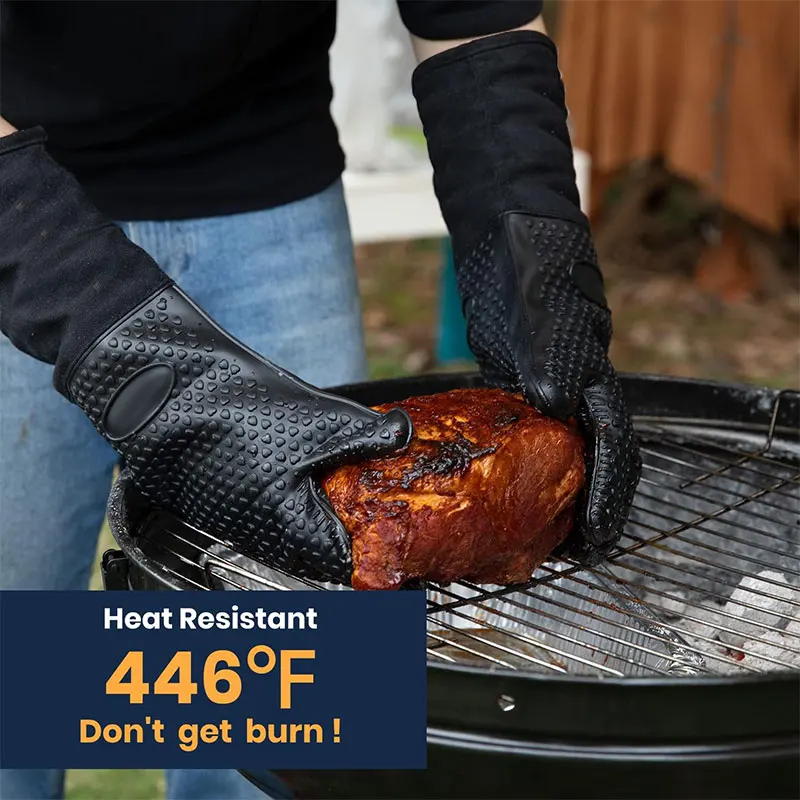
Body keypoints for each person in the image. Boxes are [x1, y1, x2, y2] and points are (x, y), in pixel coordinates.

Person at [0, 2, 641, 798]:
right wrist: (98, 324)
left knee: (304, 690)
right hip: (15, 184)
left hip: (268, 186)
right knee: (11, 630)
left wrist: (535, 252)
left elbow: (476, 17)